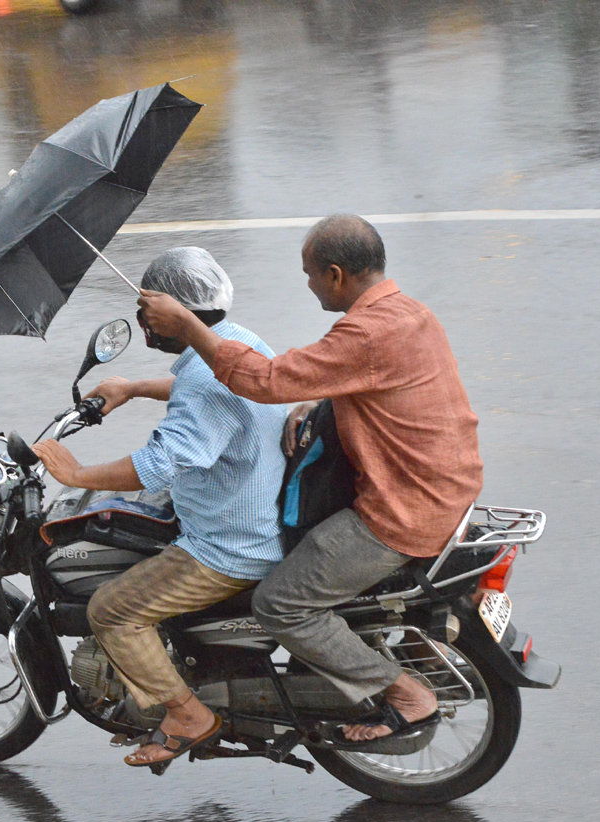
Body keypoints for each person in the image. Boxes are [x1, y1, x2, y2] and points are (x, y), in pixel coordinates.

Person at [136, 215, 484, 744]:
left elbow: (263, 380)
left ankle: (406, 695)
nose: (308, 284)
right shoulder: (410, 314)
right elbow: (377, 382)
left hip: (401, 511)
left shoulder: (364, 333)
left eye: (309, 274)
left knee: (280, 603)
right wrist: (322, 399)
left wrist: (188, 327)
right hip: (446, 487)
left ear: (337, 275)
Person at [32, 247, 286, 767]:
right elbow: (202, 381)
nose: (142, 318)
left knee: (112, 611)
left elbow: (159, 464)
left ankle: (188, 714)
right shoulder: (237, 342)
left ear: (174, 315)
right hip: (251, 510)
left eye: (146, 307)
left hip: (228, 544)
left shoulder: (203, 386)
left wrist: (75, 474)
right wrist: (133, 388)